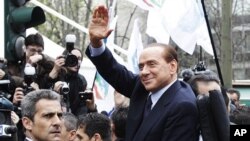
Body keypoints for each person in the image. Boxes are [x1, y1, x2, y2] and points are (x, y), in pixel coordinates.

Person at [86, 5, 199, 141]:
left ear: (172, 67)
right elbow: (114, 71)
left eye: (152, 64)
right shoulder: (143, 87)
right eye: (141, 66)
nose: (144, 72)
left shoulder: (182, 105)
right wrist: (96, 43)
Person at [44, 47, 96, 116]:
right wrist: (55, 70)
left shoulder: (81, 80)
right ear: (65, 59)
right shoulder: (54, 75)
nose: (77, 61)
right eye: (73, 57)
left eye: (79, 58)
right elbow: (43, 93)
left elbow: (81, 108)